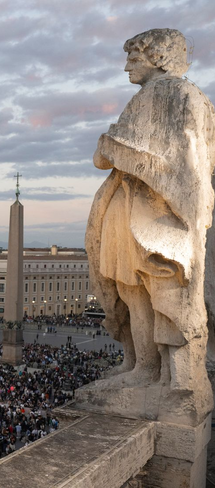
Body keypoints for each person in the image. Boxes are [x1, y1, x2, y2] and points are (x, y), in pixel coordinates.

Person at [87, 28, 215, 392]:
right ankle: (150, 368)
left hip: (150, 214)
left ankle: (163, 375)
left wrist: (111, 145)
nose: (127, 66)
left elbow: (107, 153)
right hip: (143, 211)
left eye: (134, 58)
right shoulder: (198, 99)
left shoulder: (165, 95)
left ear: (157, 58)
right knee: (135, 290)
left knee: (156, 291)